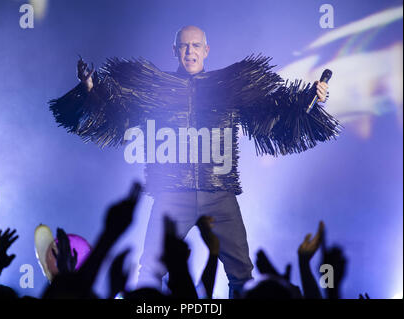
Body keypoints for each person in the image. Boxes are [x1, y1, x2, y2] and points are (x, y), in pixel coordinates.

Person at [49, 25, 340, 298]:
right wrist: (91, 87)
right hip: (172, 195)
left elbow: (272, 111)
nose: (190, 51)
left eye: (196, 46)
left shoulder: (229, 87)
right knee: (150, 269)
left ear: (206, 50)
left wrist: (311, 97)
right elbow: (119, 107)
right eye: (184, 46)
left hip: (220, 194)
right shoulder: (155, 88)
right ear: (174, 50)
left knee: (242, 273)